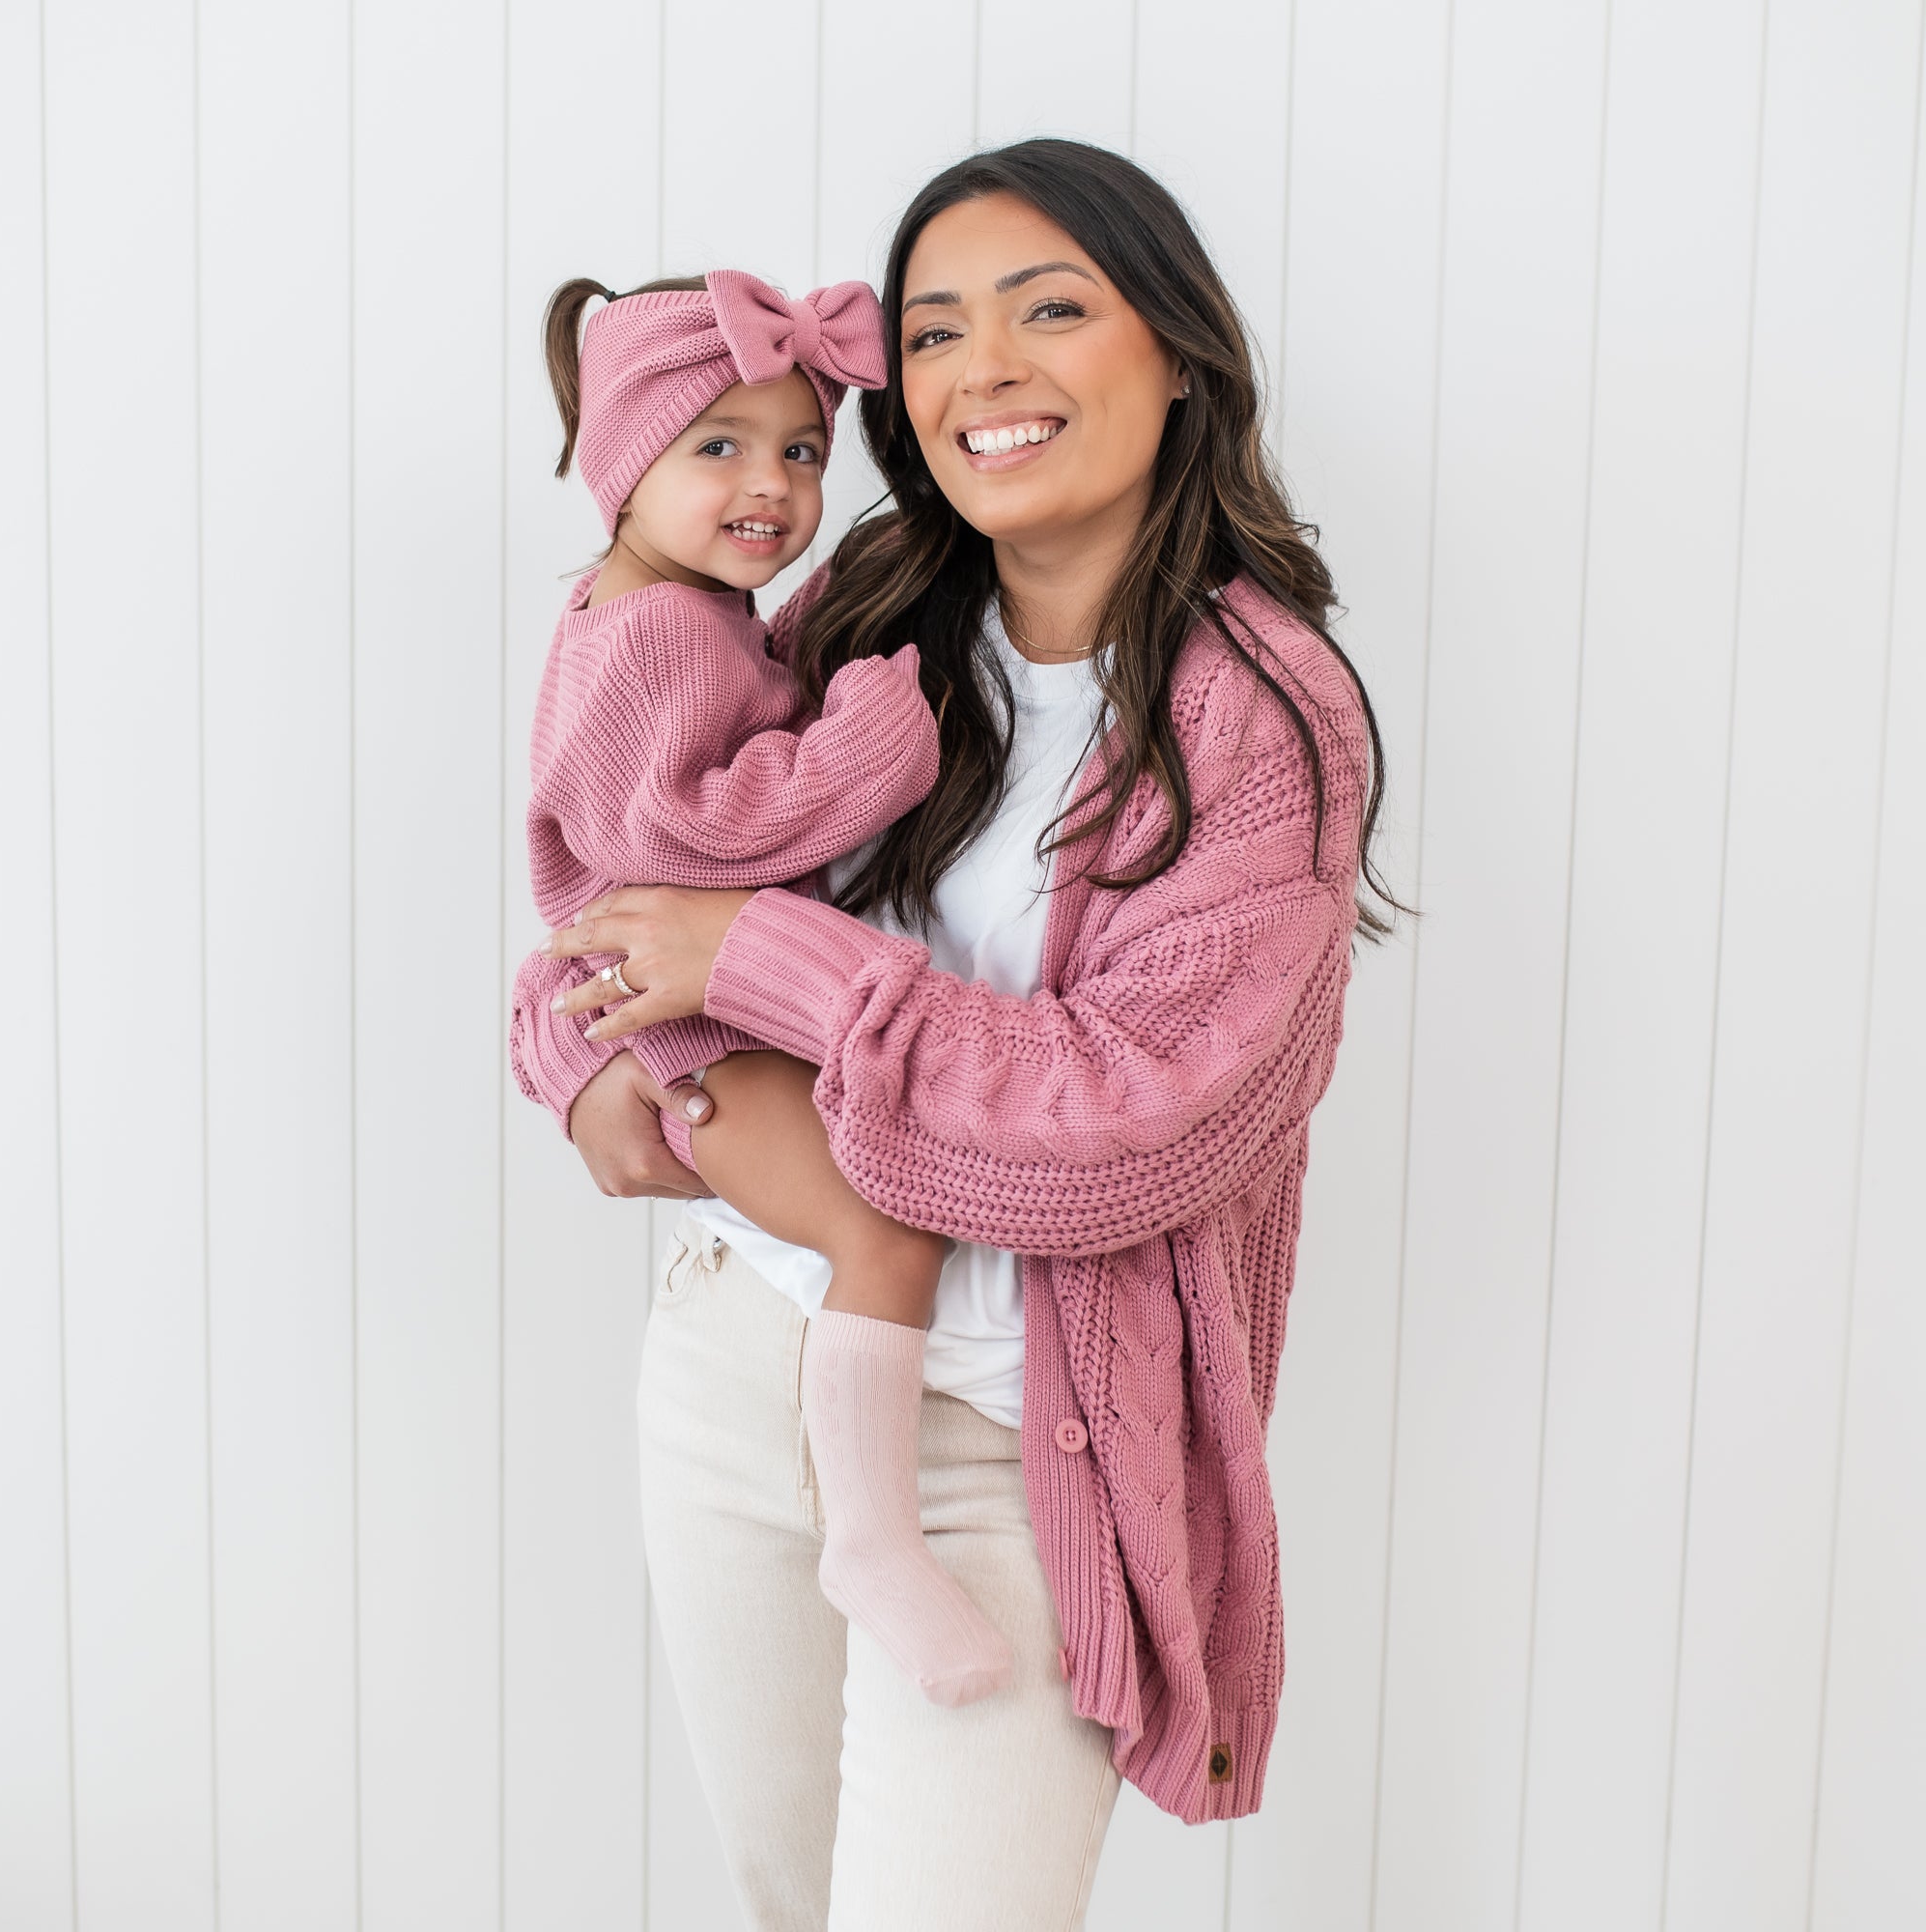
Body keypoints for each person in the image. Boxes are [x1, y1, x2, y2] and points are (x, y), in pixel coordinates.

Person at [512, 138, 1402, 1932]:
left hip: (1015, 1449)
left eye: (1049, 310)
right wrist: (578, 1049)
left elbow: (1125, 1127)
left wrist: (754, 965)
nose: (981, 369)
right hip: (732, 1376)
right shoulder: (874, 618)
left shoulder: (1265, 719)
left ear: (1178, 353)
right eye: (931, 334)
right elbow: (627, 846)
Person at [512, 268, 1014, 1704]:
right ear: (624, 470)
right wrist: (869, 738)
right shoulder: (663, 627)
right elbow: (693, 835)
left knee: (885, 1225)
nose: (774, 486)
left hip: (698, 1014)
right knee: (887, 1235)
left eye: (801, 449)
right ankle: (871, 1538)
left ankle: (867, 1535)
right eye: (718, 446)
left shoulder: (674, 611)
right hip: (704, 1030)